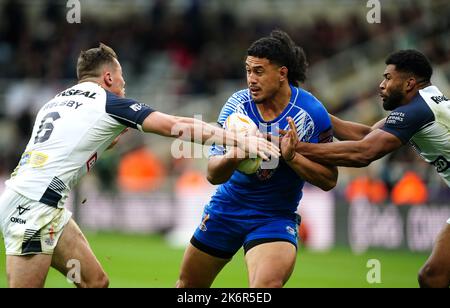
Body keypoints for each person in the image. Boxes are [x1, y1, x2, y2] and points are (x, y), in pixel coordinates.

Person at [0, 43, 279, 288]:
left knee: (95, 282)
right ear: (108, 77)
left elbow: (75, 145)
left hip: (37, 199)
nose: (123, 88)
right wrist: (238, 140)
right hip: (33, 207)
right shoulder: (106, 102)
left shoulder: (54, 102)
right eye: (122, 82)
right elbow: (176, 126)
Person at [176, 30, 338, 288]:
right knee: (187, 288)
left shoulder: (311, 113)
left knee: (265, 289)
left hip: (274, 216)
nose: (251, 79)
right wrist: (237, 153)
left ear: (282, 74)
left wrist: (292, 157)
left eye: (259, 71)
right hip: (228, 208)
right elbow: (213, 173)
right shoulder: (237, 106)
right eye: (248, 71)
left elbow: (330, 179)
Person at [296, 49, 450, 288]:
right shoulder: (425, 102)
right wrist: (312, 111)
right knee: (433, 277)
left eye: (388, 78)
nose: (381, 85)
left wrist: (296, 148)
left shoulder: (418, 111)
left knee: (433, 276)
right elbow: (367, 135)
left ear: (409, 83)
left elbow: (363, 152)